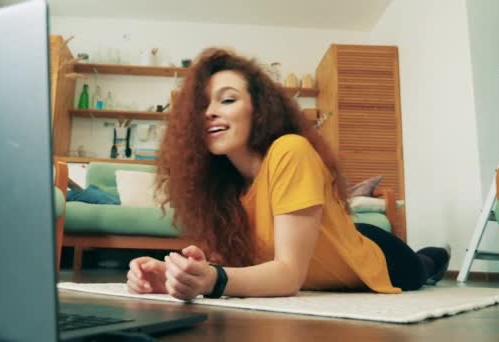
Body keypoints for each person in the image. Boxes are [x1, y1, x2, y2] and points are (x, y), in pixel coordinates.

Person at [127, 48, 450, 300]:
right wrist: (173, 273)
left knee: (423, 268)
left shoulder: (290, 150)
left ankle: (437, 255)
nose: (209, 111)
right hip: (338, 241)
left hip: (379, 257)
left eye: (227, 99)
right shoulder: (222, 190)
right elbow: (238, 268)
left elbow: (287, 276)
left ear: (260, 108)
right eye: (201, 105)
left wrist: (214, 280)